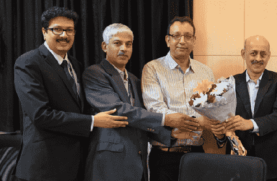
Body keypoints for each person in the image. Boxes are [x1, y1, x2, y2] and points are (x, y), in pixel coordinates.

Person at [13, 7, 128, 181]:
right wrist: (93, 121)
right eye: (57, 29)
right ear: (44, 32)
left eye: (69, 30)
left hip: (76, 165)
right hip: (43, 167)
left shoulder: (76, 64)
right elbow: (40, 115)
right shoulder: (28, 62)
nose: (64, 35)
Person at [82, 23, 195, 181]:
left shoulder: (135, 80)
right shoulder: (95, 74)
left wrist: (171, 134)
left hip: (137, 163)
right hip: (109, 163)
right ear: (104, 46)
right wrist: (165, 119)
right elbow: (118, 110)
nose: (124, 48)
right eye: (117, 43)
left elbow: (141, 121)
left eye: (128, 44)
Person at [142, 16, 216, 181]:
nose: (182, 41)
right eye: (176, 36)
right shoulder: (152, 68)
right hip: (165, 156)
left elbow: (210, 111)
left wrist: (190, 121)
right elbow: (156, 109)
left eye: (188, 36)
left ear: (194, 41)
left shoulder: (206, 72)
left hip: (197, 154)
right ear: (168, 40)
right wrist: (198, 122)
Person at [217, 35, 277, 181]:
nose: (258, 58)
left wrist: (249, 124)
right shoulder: (229, 83)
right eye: (253, 53)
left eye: (263, 54)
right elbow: (222, 117)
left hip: (272, 159)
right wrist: (219, 134)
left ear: (269, 56)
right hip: (238, 157)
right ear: (243, 54)